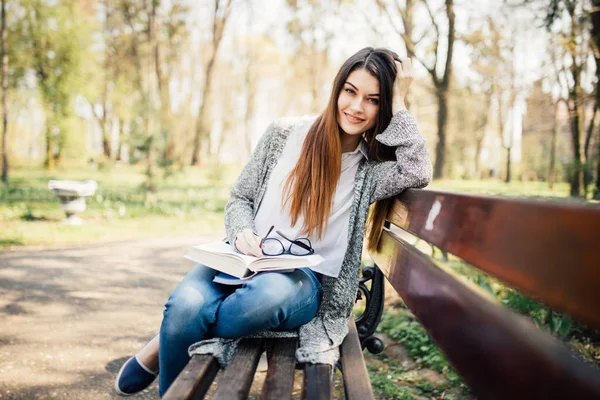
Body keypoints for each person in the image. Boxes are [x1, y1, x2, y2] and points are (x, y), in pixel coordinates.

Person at [115, 46, 432, 397]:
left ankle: (169, 337)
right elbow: (240, 198)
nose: (357, 107)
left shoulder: (370, 169)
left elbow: (417, 170)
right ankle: (174, 340)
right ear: (337, 89)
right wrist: (242, 232)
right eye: (350, 91)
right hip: (240, 260)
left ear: (382, 108)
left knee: (256, 301)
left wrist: (400, 99)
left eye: (373, 100)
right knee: (184, 306)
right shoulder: (284, 134)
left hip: (300, 280)